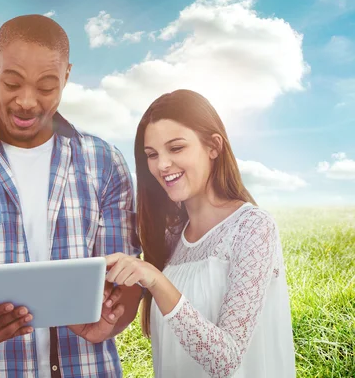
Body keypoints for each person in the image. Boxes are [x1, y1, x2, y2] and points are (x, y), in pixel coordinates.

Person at [0, 14, 143, 377]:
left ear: (66, 76)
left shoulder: (105, 163)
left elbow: (126, 274)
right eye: (12, 83)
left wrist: (112, 323)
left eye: (46, 87)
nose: (27, 102)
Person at [105, 89, 297, 377]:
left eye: (176, 148)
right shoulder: (170, 238)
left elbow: (225, 360)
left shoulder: (253, 228)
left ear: (213, 147)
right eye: (152, 154)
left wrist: (157, 281)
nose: (162, 165)